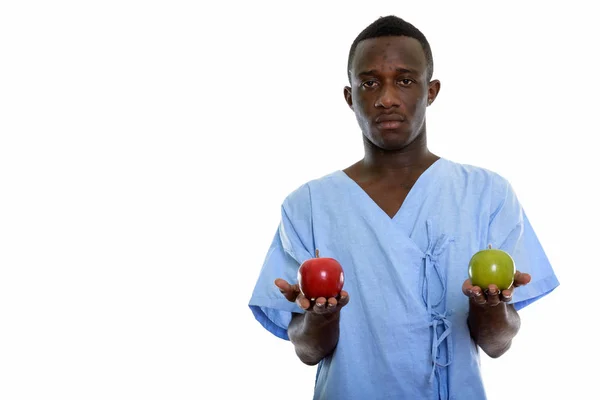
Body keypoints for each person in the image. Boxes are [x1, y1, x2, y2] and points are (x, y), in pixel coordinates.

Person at [248, 15, 559, 400]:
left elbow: (497, 344)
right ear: (350, 97)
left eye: (405, 80)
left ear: (431, 91)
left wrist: (490, 307)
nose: (386, 97)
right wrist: (320, 315)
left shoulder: (486, 194)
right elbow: (308, 351)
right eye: (370, 82)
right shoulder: (309, 205)